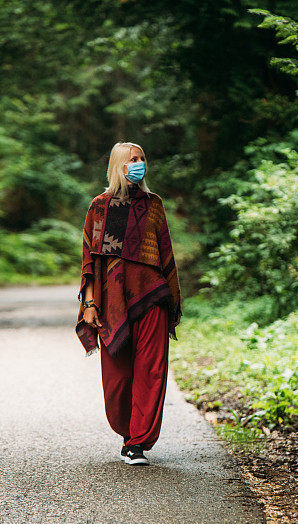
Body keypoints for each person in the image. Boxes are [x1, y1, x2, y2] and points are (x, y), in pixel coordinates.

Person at [75, 141, 182, 466]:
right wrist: (90, 303)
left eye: (142, 158)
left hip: (152, 297)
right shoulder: (99, 206)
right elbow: (90, 258)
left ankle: (137, 443)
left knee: (150, 371)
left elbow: (164, 253)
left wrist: (172, 299)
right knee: (117, 379)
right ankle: (127, 431)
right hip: (112, 302)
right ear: (119, 166)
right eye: (132, 159)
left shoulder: (153, 204)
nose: (138, 163)